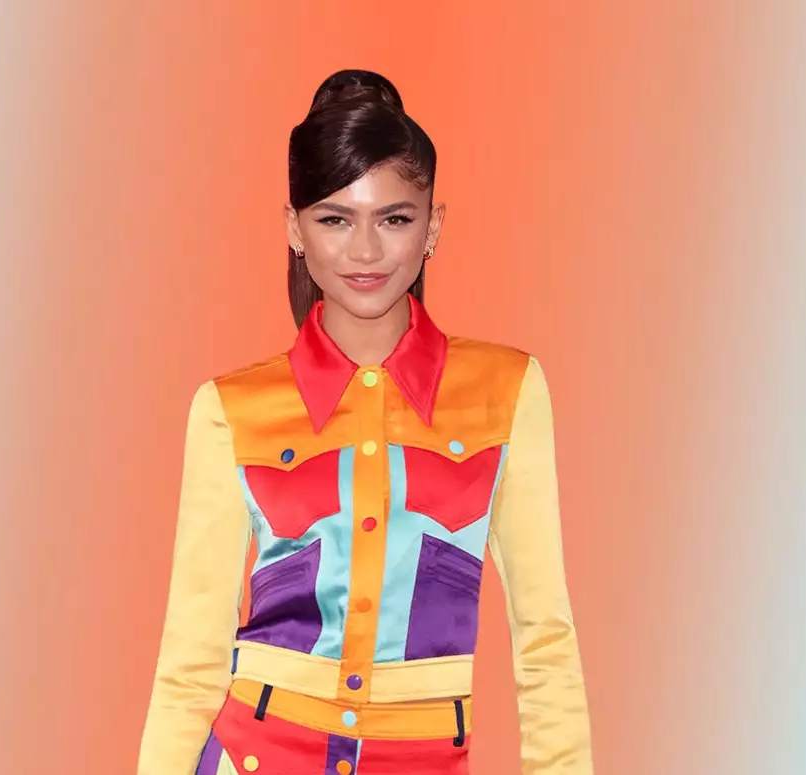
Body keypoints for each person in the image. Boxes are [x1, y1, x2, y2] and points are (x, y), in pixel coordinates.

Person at [137, 69, 592, 775]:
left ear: (433, 226)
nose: (366, 251)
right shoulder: (230, 408)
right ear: (294, 228)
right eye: (334, 219)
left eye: (394, 218)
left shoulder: (507, 390)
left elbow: (546, 642)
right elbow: (190, 664)